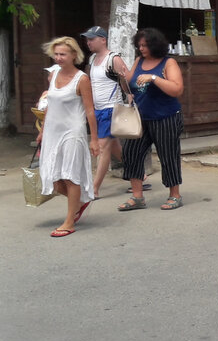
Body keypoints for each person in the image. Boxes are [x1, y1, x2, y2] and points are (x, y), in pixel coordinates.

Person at [38, 36, 100, 237]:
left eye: (63, 54)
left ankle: (69, 221)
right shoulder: (53, 75)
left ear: (74, 55)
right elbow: (49, 105)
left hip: (73, 132)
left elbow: (90, 111)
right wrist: (41, 131)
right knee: (54, 180)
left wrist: (94, 139)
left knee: (70, 176)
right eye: (56, 54)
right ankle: (81, 202)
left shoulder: (82, 79)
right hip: (52, 132)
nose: (58, 58)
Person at [119, 27, 185, 212]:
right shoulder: (139, 61)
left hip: (166, 117)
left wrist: (154, 78)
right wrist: (121, 77)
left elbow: (177, 89)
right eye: (139, 45)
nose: (141, 48)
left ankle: (175, 195)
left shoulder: (168, 63)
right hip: (141, 118)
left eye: (145, 45)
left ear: (155, 45)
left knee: (168, 156)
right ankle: (137, 197)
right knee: (131, 154)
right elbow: (129, 87)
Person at [82, 26, 129, 199]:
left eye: (92, 39)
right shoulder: (93, 58)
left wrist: (129, 95)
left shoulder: (114, 58)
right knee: (115, 146)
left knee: (103, 147)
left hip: (111, 108)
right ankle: (137, 173)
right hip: (98, 108)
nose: (88, 42)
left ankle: (94, 188)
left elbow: (126, 78)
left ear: (103, 39)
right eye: (87, 39)